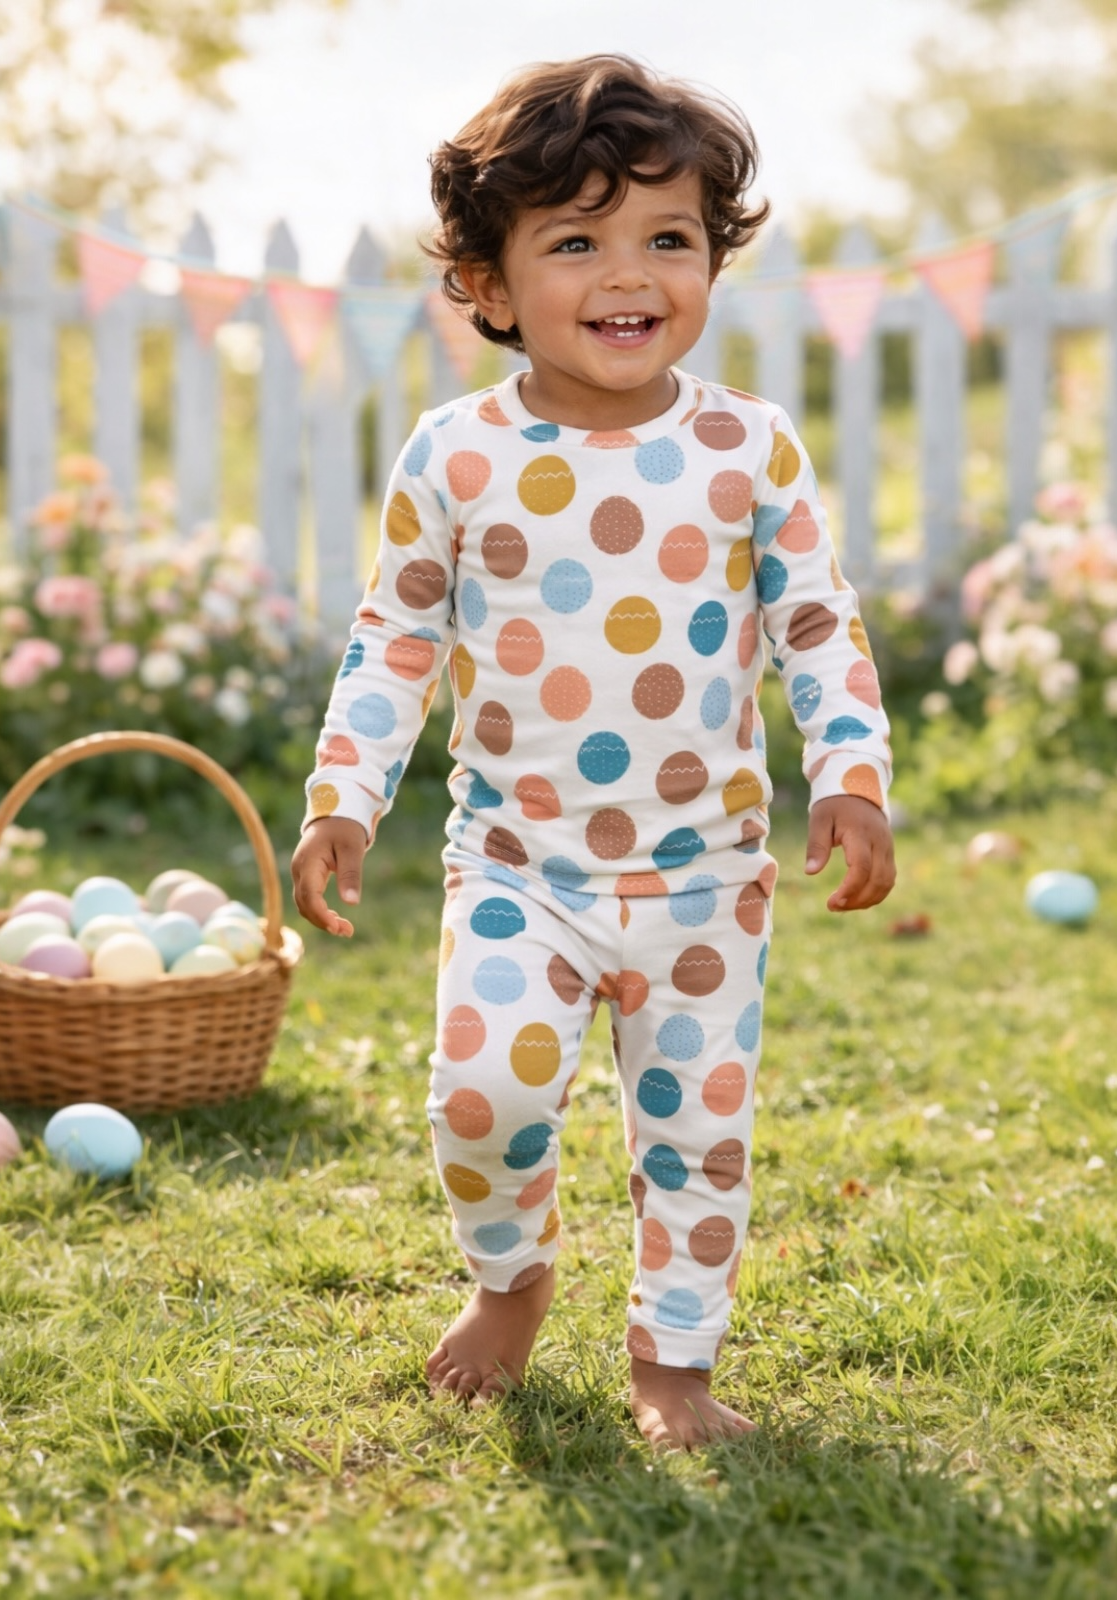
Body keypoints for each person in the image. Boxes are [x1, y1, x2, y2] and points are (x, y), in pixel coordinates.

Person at [291, 53, 896, 1450]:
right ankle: (511, 1276)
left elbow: (816, 619)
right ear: (492, 286)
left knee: (696, 1136)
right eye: (577, 240)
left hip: (706, 875)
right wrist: (343, 799)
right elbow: (396, 639)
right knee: (482, 1091)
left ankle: (672, 1364)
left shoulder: (750, 446)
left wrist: (852, 769)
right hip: (516, 860)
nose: (630, 274)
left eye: (666, 238)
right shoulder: (456, 455)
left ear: (709, 259)